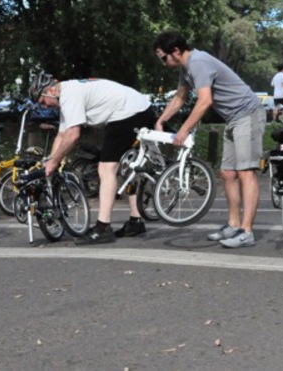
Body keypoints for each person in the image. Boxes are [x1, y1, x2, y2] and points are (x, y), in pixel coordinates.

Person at [153, 31, 265, 248]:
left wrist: (184, 130)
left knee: (245, 172)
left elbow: (205, 101)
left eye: (164, 58)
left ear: (176, 51)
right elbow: (180, 97)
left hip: (248, 114)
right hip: (233, 118)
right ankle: (233, 225)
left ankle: (246, 232)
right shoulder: (186, 68)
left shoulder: (198, 62)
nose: (163, 63)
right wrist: (161, 120)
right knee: (227, 173)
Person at [30, 72, 156, 245]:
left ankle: (103, 228)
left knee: (106, 168)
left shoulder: (69, 96)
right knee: (128, 166)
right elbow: (62, 135)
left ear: (50, 90)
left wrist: (54, 162)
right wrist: (50, 160)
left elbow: (73, 135)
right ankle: (136, 221)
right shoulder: (66, 93)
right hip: (138, 108)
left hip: (128, 112)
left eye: (43, 102)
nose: (45, 107)